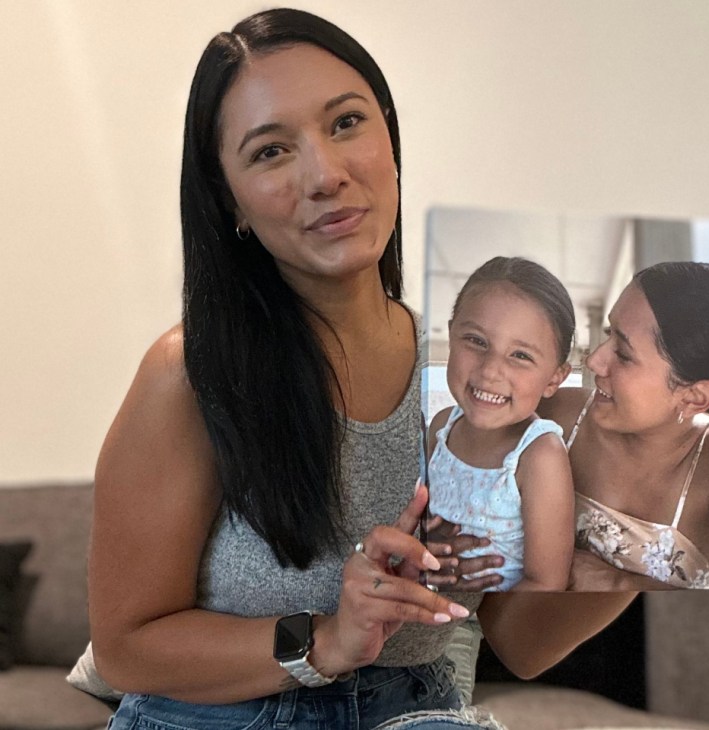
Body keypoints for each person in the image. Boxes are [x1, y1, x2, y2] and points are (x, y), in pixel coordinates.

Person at [84, 8, 636, 729]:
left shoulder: (470, 381)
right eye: (270, 152)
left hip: (415, 711)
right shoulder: (192, 374)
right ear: (231, 202)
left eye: (345, 124)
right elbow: (125, 648)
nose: (325, 174)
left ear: (389, 138)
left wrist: (637, 526)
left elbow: (522, 642)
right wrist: (326, 638)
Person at [543, 261, 709, 590]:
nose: (594, 360)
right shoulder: (559, 415)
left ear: (695, 396)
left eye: (623, 354)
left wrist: (617, 585)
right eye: (609, 334)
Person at [427, 257, 575, 592]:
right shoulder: (440, 428)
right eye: (476, 341)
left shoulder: (539, 455)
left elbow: (547, 583)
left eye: (520, 355)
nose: (491, 370)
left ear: (554, 378)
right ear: (450, 334)